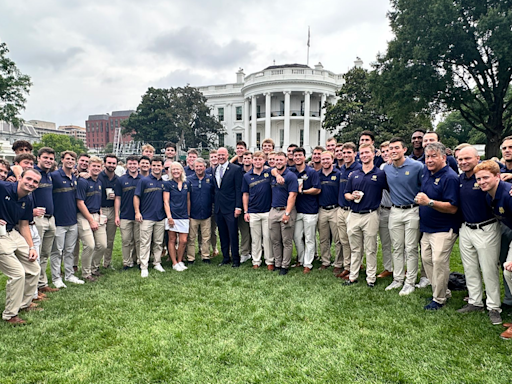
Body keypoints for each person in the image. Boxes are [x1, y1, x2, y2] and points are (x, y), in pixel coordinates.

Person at [456, 148, 502, 325]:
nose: (463, 162)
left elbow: (500, 178)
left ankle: (494, 307)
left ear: (477, 158)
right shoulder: (460, 179)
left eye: (467, 158)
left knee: (489, 269)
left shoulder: (485, 177)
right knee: (470, 268)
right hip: (466, 228)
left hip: (486, 227)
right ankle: (475, 302)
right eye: (460, 159)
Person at [415, 142, 459, 310]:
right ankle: (441, 291)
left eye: (434, 156)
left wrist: (429, 202)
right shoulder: (427, 172)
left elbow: (453, 207)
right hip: (427, 227)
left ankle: (439, 299)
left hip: (444, 228)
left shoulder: (450, 177)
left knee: (439, 262)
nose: (430, 160)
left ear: (443, 157)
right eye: (427, 156)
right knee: (426, 260)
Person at [474, 160, 512, 339]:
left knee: (509, 272)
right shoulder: (489, 195)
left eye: (486, 178)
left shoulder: (508, 194)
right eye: (479, 179)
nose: (481, 182)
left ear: (498, 176)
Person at [0, 169, 42, 325]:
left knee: (34, 268)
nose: (31, 183)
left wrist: (31, 247)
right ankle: (10, 315)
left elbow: (24, 225)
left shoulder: (29, 199)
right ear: (20, 178)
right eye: (28, 179)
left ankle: (24, 304)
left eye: (35, 182)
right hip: (0, 236)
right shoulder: (3, 187)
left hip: (12, 232)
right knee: (18, 274)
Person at [383, 137, 424, 295]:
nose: (393, 151)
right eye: (390, 149)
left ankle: (410, 282)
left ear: (404, 150)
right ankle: (397, 279)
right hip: (395, 211)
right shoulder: (387, 168)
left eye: (396, 148)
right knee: (397, 247)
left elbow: (423, 186)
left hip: (412, 210)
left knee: (411, 248)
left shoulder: (416, 166)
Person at [343, 143, 388, 287]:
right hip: (354, 214)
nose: (364, 155)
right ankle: (353, 276)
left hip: (371, 214)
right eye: (362, 153)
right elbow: (346, 193)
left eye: (367, 153)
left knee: (370, 248)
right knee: (355, 248)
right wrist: (351, 196)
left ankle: (370, 278)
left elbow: (390, 189)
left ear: (373, 154)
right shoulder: (354, 174)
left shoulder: (380, 174)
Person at [50, 151, 83, 288]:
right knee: (57, 251)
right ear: (62, 160)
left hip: (72, 220)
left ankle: (69, 275)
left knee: (70, 250)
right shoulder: (55, 176)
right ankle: (56, 278)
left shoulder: (74, 178)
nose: (70, 161)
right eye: (67, 159)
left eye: (72, 159)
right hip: (59, 221)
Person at [134, 157, 167, 277]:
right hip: (146, 217)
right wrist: (137, 212)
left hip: (160, 217)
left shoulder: (164, 182)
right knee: (145, 242)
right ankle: (144, 266)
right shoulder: (144, 181)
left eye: (159, 165)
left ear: (162, 167)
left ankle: (157, 262)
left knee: (158, 242)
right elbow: (136, 196)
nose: (157, 167)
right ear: (151, 166)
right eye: (154, 165)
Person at [76, 156, 106, 282]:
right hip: (84, 216)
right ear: (88, 167)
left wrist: (100, 215)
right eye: (93, 166)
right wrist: (91, 220)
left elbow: (97, 201)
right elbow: (80, 202)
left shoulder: (99, 182)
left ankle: (94, 268)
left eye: (98, 166)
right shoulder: (83, 182)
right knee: (90, 245)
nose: (96, 168)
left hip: (96, 215)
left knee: (103, 245)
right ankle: (86, 273)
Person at [290, 147, 320, 273]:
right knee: (297, 237)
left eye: (300, 155)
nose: (297, 157)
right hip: (297, 210)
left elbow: (317, 189)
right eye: (295, 155)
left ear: (304, 157)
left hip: (310, 210)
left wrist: (303, 191)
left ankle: (308, 264)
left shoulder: (311, 172)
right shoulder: (291, 172)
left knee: (309, 238)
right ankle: (301, 260)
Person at [33, 148, 58, 293]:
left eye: (51, 158)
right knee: (36, 252)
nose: (48, 160)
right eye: (45, 158)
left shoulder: (49, 176)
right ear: (38, 158)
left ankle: (42, 283)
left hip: (50, 218)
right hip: (38, 218)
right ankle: (34, 287)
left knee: (45, 253)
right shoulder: (34, 174)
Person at [242, 151, 273, 270]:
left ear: (264, 161)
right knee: (255, 239)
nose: (257, 161)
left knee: (267, 237)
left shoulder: (269, 172)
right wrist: (246, 211)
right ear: (252, 161)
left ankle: (269, 260)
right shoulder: (247, 176)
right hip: (253, 211)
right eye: (255, 159)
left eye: (260, 159)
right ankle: (256, 260)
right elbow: (245, 194)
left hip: (267, 211)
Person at [268, 152, 298, 275]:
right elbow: (271, 171)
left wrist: (287, 213)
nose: (279, 162)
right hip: (274, 210)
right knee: (275, 240)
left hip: (286, 210)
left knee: (286, 241)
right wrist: (276, 174)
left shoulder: (291, 176)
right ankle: (277, 263)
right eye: (276, 160)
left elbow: (293, 195)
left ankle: (285, 266)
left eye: (281, 159)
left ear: (286, 161)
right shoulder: (272, 173)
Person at [336, 142, 361, 278]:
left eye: (348, 152)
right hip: (341, 208)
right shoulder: (342, 169)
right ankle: (347, 266)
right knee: (344, 240)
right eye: (343, 152)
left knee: (354, 241)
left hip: (353, 209)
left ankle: (355, 267)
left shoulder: (358, 169)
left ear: (354, 154)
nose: (345, 155)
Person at [214, 147, 243, 267]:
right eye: (218, 155)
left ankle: (236, 259)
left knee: (233, 234)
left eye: (223, 155)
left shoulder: (235, 169)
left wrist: (238, 207)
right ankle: (226, 258)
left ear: (227, 156)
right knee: (222, 234)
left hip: (231, 208)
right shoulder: (215, 169)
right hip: (219, 208)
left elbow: (238, 189)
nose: (220, 157)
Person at [115, 155, 142, 270]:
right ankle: (127, 262)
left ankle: (140, 261)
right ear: (127, 165)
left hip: (139, 215)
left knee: (139, 240)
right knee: (126, 240)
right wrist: (117, 215)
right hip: (125, 215)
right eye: (130, 164)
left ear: (138, 165)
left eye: (134, 163)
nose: (132, 166)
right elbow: (117, 198)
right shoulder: (121, 180)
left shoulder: (143, 179)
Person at [187, 158, 214, 264]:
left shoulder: (210, 179)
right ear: (193, 167)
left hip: (206, 213)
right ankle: (190, 258)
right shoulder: (189, 180)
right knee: (191, 237)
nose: (199, 168)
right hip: (193, 214)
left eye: (201, 166)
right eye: (196, 166)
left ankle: (205, 256)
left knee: (206, 237)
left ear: (205, 167)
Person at [164, 162, 190, 271]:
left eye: (177, 169)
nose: (175, 171)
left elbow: (188, 200)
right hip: (172, 216)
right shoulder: (168, 184)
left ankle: (180, 261)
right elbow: (166, 201)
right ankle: (174, 263)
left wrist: (188, 214)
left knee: (183, 240)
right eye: (173, 169)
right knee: (172, 239)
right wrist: (169, 217)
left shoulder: (186, 183)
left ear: (181, 171)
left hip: (183, 216)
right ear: (170, 171)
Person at [317, 151, 341, 271]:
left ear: (332, 159)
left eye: (327, 159)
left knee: (338, 238)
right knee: (323, 238)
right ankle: (325, 261)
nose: (325, 161)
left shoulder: (338, 174)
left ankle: (338, 263)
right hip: (322, 209)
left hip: (335, 209)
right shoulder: (317, 175)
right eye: (323, 159)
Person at [98, 154, 119, 270]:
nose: (111, 165)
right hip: (99, 209)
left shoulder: (118, 179)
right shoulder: (98, 177)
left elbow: (118, 198)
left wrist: (116, 215)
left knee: (110, 239)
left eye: (113, 163)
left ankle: (106, 263)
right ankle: (95, 262)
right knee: (99, 240)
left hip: (112, 209)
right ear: (104, 163)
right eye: (109, 163)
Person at [377, 141, 393, 279]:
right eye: (383, 152)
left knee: (402, 243)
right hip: (384, 209)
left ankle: (404, 269)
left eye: (388, 150)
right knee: (385, 241)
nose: (386, 154)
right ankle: (389, 268)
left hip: (398, 209)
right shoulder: (382, 167)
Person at [239, 151, 253, 262]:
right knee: (245, 232)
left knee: (256, 232)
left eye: (249, 158)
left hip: (257, 206)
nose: (246, 160)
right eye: (245, 158)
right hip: (243, 206)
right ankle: (245, 252)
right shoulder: (238, 171)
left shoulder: (259, 171)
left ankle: (255, 252)